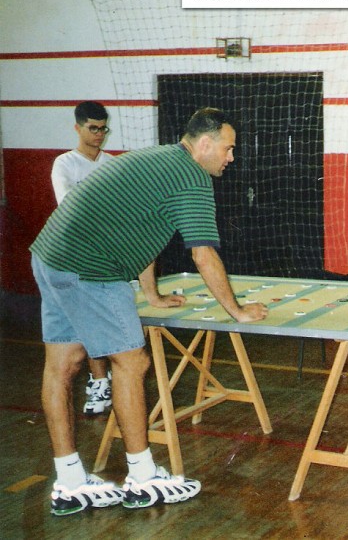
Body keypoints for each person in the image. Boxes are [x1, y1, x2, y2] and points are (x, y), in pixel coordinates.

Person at [30, 107, 269, 516]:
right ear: (205, 144)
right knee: (132, 363)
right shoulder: (191, 178)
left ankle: (69, 481)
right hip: (91, 267)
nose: (232, 157)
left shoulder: (156, 158)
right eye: (229, 149)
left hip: (51, 255)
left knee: (62, 364)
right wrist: (237, 311)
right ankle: (142, 477)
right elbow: (203, 253)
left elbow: (138, 231)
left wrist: (152, 295)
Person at [51, 101, 115, 416]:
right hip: (75, 257)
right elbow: (69, 210)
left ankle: (108, 377)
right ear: (78, 128)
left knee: (109, 322)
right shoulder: (65, 164)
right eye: (93, 128)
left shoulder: (113, 164)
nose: (99, 134)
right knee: (85, 324)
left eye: (103, 128)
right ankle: (100, 380)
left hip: (111, 257)